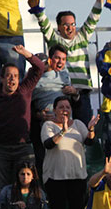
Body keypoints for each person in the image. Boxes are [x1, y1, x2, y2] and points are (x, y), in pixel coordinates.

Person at [0, 45, 44, 199]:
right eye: (9, 76)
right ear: (1, 78)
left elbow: (40, 67)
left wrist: (25, 53)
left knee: (26, 188)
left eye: (16, 76)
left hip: (22, 148)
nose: (12, 79)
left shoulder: (24, 90)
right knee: (0, 190)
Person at [28, 0, 107, 123]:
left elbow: (95, 15)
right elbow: (43, 22)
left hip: (81, 93)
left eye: (73, 24)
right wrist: (36, 8)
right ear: (59, 27)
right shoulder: (54, 40)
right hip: (61, 93)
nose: (70, 28)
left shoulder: (82, 37)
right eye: (66, 25)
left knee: (84, 127)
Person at [41, 95, 99, 209]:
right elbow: (49, 144)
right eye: (61, 107)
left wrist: (91, 129)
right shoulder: (48, 125)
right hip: (55, 177)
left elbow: (89, 142)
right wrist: (63, 131)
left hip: (77, 177)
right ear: (55, 110)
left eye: (67, 107)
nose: (65, 110)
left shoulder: (78, 124)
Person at [31, 44, 78, 174]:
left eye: (63, 59)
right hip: (48, 127)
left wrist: (75, 92)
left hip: (67, 125)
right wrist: (39, 115)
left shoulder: (64, 75)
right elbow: (26, 107)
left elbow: (76, 101)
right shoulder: (32, 80)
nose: (60, 62)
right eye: (57, 58)